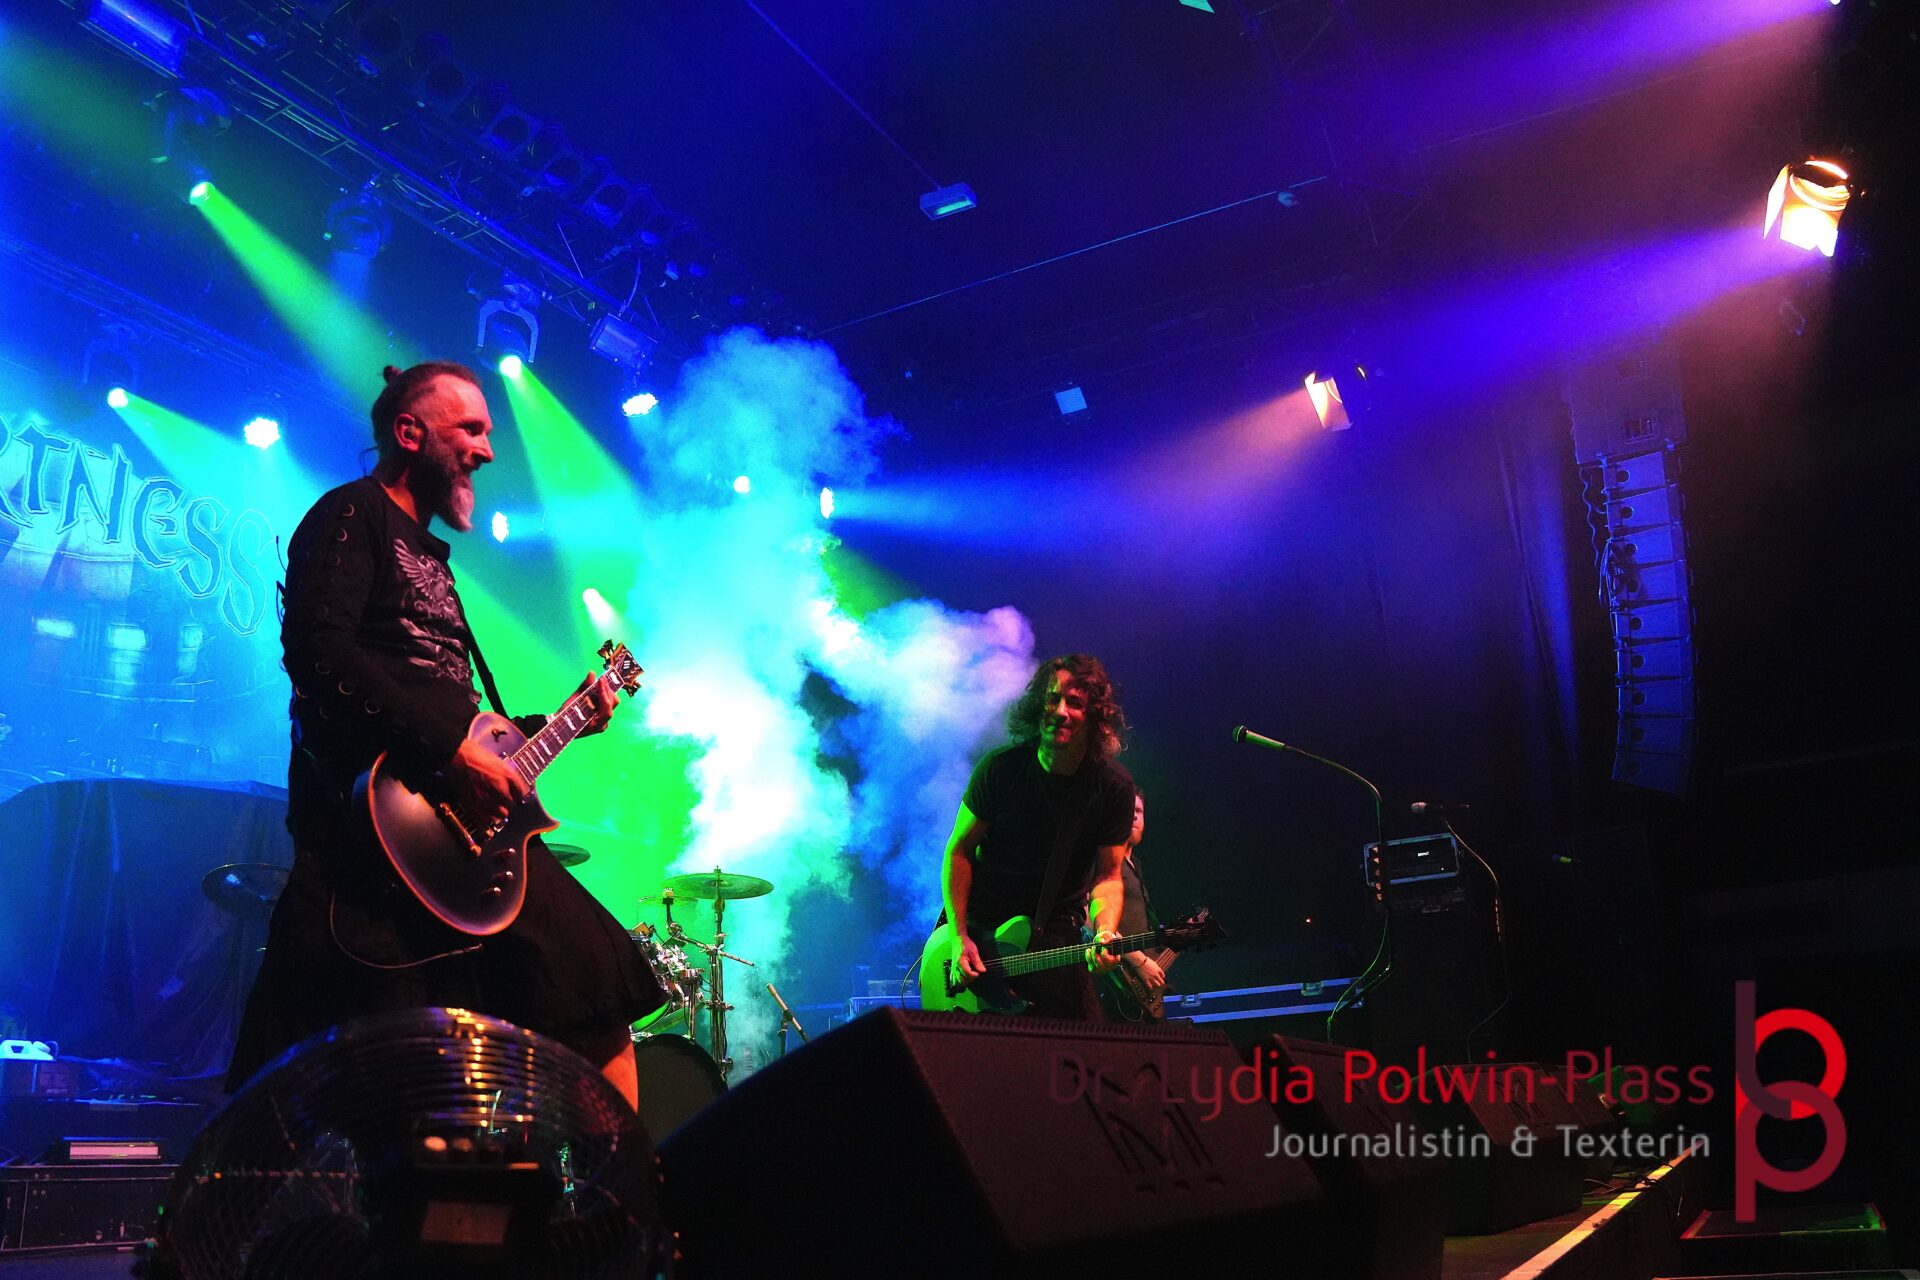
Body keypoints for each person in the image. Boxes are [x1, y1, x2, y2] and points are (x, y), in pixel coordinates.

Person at [226, 361, 664, 1107]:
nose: (488, 450)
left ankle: (608, 1181)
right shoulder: (351, 513)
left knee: (595, 995)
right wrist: (446, 753)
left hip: (463, 836)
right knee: (342, 1082)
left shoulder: (435, 559)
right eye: (471, 430)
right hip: (373, 833)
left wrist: (559, 724)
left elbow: (459, 718)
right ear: (410, 432)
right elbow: (318, 650)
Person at [939, 654, 1135, 1020]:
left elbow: (1108, 878)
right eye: (1051, 698)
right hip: (982, 935)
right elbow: (959, 852)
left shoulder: (1113, 788)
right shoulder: (1000, 769)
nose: (1059, 711)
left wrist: (1105, 931)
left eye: (1074, 702)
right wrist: (958, 937)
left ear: (1094, 716)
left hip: (1056, 936)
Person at [1101, 791, 1171, 1021]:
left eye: (1139, 811)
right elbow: (1089, 920)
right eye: (1127, 810)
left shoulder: (1135, 866)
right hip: (1113, 981)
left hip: (1138, 986)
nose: (1133, 816)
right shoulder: (1105, 862)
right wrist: (1140, 962)